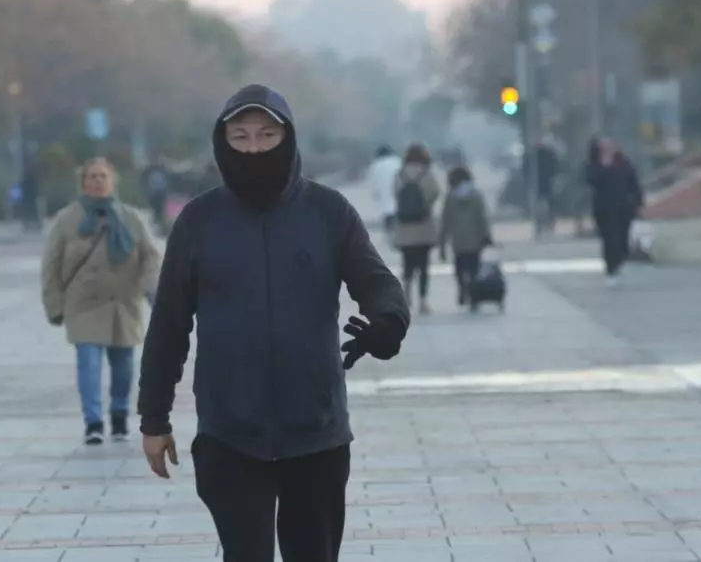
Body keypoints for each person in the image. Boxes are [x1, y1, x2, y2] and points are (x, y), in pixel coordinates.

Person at [137, 84, 410, 562]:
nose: (254, 148)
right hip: (230, 431)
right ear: (223, 143)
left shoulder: (328, 212)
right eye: (240, 137)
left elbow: (376, 280)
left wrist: (387, 322)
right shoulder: (199, 221)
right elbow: (169, 325)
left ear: (288, 138)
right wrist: (154, 418)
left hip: (315, 430)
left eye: (267, 135)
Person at [41, 157, 162, 445]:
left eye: (103, 176)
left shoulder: (131, 218)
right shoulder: (66, 220)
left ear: (112, 181)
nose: (98, 181)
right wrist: (54, 304)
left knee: (124, 367)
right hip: (84, 304)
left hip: (123, 303)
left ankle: (119, 416)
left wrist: (150, 288)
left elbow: (151, 256)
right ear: (83, 183)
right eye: (92, 176)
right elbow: (51, 264)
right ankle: (93, 422)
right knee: (89, 365)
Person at [585, 137, 643, 287]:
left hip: (623, 207)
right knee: (609, 239)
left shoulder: (623, 163)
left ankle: (619, 261)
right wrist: (604, 167)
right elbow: (591, 180)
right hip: (604, 208)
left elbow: (633, 182)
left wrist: (638, 200)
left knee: (623, 240)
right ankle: (610, 269)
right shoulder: (595, 164)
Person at [393, 143, 441, 315]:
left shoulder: (400, 174)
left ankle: (406, 295)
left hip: (405, 228)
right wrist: (424, 204)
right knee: (423, 266)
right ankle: (423, 301)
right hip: (423, 227)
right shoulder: (427, 173)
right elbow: (435, 192)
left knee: (407, 264)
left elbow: (395, 193)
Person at [438, 166, 492, 307]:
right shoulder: (476, 195)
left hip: (458, 240)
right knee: (474, 268)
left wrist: (442, 243)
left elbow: (445, 221)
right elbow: (482, 218)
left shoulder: (450, 197)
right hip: (475, 239)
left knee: (459, 267)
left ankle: (462, 286)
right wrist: (486, 235)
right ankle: (474, 295)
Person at [367, 144, 402, 233]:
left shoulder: (375, 166)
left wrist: (377, 197)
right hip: (401, 203)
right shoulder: (398, 162)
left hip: (386, 205)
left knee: (390, 228)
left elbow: (374, 187)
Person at [140, 159, 171, 232]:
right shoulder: (150, 171)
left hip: (160, 193)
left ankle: (161, 225)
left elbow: (166, 183)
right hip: (153, 194)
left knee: (160, 210)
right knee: (153, 210)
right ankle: (155, 224)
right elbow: (145, 182)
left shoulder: (162, 171)